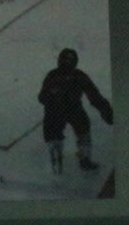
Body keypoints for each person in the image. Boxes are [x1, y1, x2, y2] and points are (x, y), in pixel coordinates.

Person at [37, 47, 113, 176]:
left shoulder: (79, 76)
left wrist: (106, 111)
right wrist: (51, 94)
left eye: (70, 61)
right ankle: (56, 164)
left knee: (83, 127)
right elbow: (42, 97)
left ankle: (84, 159)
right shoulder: (53, 75)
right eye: (65, 60)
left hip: (74, 109)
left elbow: (94, 95)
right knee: (53, 134)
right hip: (54, 111)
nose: (67, 64)